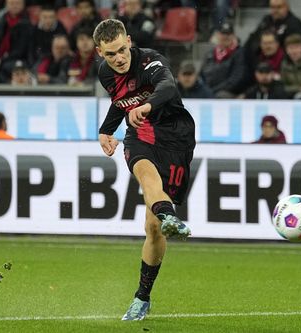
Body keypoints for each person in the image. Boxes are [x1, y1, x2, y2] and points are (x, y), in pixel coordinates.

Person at [93, 18, 195, 321]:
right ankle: (169, 217)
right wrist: (105, 130)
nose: (119, 58)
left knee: (152, 229)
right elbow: (119, 101)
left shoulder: (151, 61)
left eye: (122, 50)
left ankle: (144, 294)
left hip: (176, 136)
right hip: (140, 134)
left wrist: (147, 106)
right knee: (145, 174)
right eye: (110, 54)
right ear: (100, 52)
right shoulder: (105, 74)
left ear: (129, 40)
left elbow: (167, 86)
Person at [245, 0, 301, 66]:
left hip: (285, 63)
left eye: (279, 7)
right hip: (261, 62)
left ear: (287, 7)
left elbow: (297, 48)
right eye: (272, 7)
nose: (275, 10)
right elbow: (253, 40)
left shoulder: (295, 24)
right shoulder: (266, 20)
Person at [200, 22, 248, 98]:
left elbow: (236, 79)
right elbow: (201, 74)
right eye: (223, 34)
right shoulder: (210, 54)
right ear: (218, 35)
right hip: (209, 91)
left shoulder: (239, 53)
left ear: (233, 36)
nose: (225, 37)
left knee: (220, 95)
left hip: (228, 93)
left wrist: (213, 90)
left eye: (228, 34)